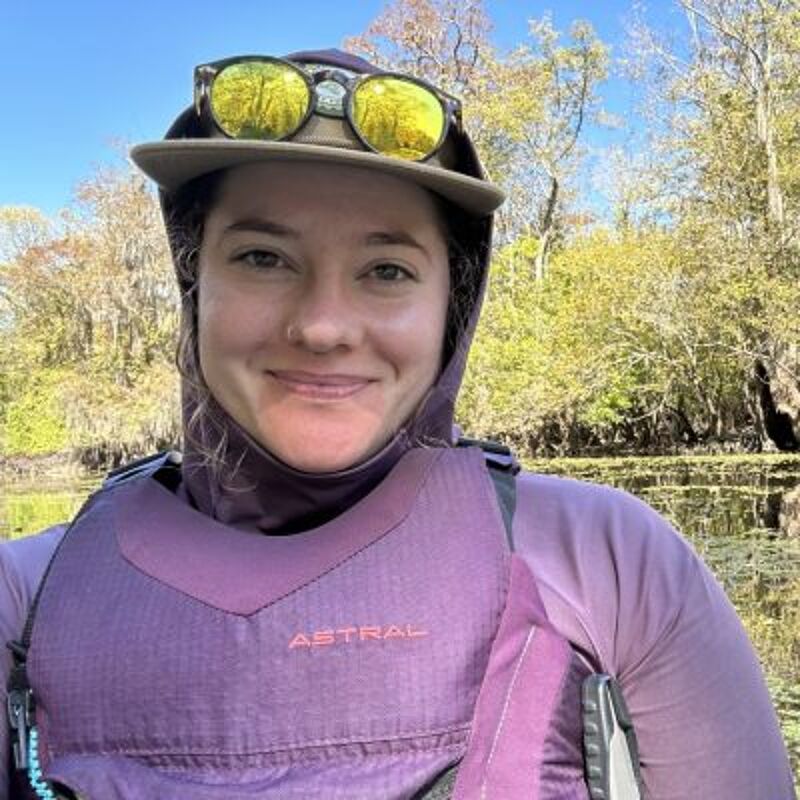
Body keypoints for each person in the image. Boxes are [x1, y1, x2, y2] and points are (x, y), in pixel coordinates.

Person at [0, 49, 794, 800]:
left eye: (387, 270)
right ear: (193, 281)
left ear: (453, 305)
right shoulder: (23, 601)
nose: (323, 326)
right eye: (263, 258)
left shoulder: (612, 566)